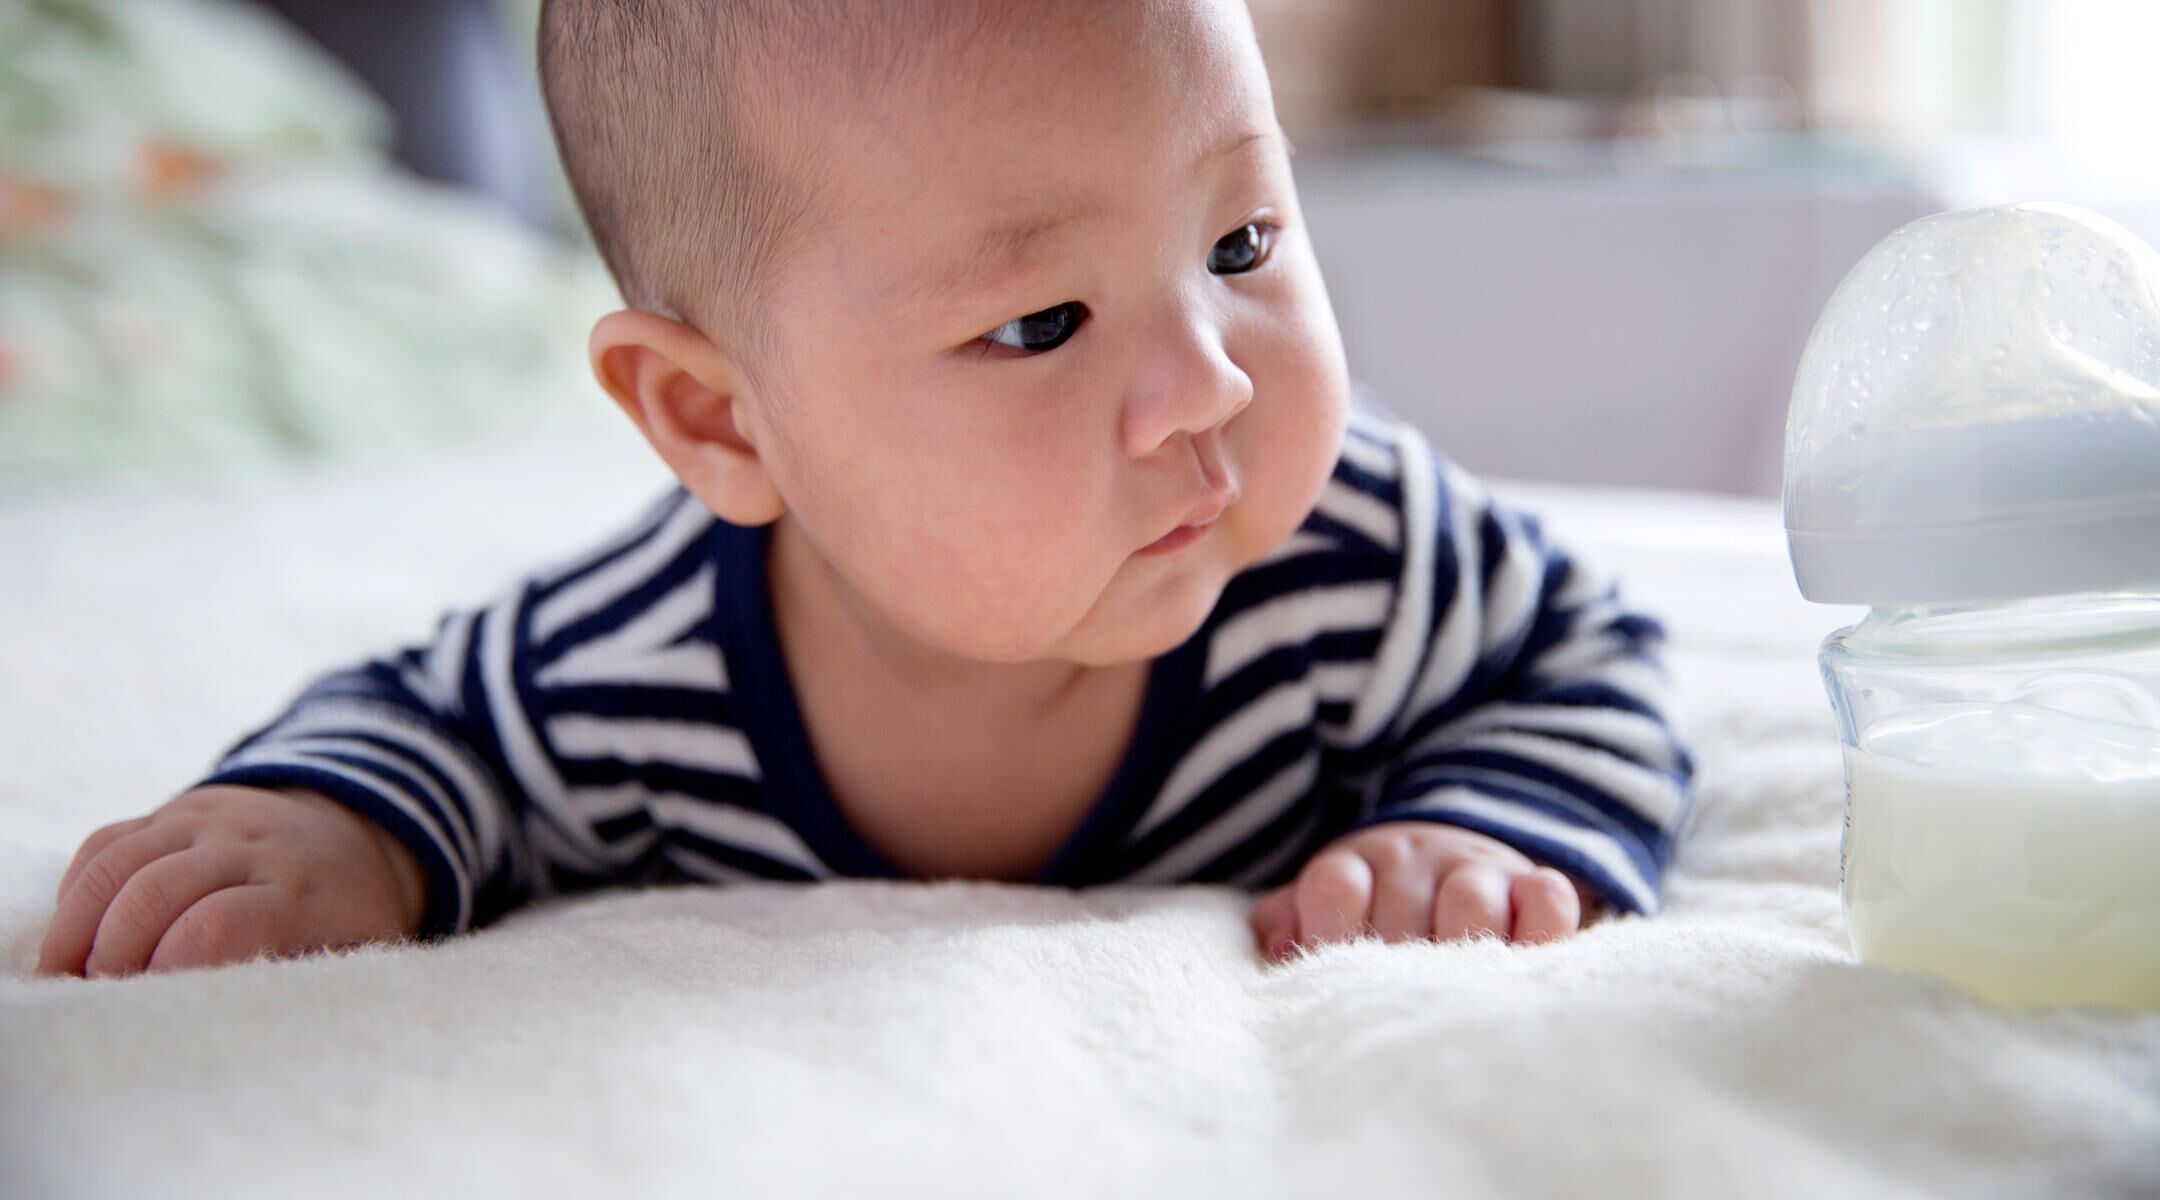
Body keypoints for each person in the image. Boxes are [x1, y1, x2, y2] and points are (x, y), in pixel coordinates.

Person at [37, 0, 1695, 980]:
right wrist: (335, 830)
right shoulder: (634, 671)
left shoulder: (1355, 556)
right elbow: (433, 730)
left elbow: (1588, 659)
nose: (1213, 382)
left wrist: (1478, 824)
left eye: (1241, 240)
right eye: (1040, 323)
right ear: (718, 421)